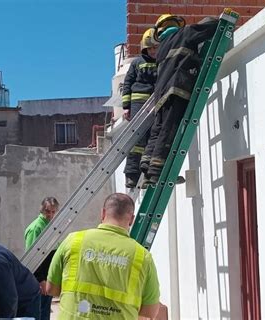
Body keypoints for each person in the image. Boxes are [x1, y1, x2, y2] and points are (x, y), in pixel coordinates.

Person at [46, 193, 160, 319]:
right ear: (132, 219)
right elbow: (149, 311)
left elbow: (51, 289)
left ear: (103, 213)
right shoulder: (142, 256)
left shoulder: (73, 241)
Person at [140, 14, 219, 186]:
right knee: (169, 129)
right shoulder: (185, 33)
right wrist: (221, 21)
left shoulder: (161, 47)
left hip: (160, 94)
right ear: (176, 24)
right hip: (176, 89)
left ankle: (147, 167)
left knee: (158, 130)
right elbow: (211, 27)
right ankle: (157, 171)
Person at [122, 28, 159, 189]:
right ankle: (131, 176)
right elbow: (128, 83)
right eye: (151, 48)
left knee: (152, 139)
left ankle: (148, 176)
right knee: (137, 140)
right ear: (145, 48)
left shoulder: (161, 63)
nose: (153, 51)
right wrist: (126, 107)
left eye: (156, 48)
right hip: (138, 104)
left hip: (155, 104)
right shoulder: (137, 62)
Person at [24, 197, 60, 320]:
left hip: (48, 277)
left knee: (45, 311)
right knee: (39, 313)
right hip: (40, 280)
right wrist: (41, 280)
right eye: (47, 211)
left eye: (53, 212)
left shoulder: (50, 226)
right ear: (42, 210)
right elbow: (32, 257)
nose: (50, 215)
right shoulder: (36, 228)